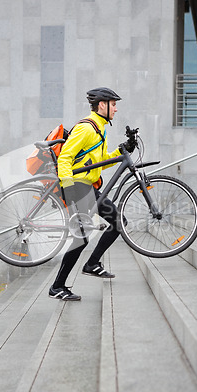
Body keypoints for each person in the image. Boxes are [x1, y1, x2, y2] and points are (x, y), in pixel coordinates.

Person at [49, 87, 134, 301]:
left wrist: (123, 150)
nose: (116, 109)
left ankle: (92, 263)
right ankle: (57, 287)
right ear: (102, 105)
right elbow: (65, 158)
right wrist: (68, 190)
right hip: (77, 186)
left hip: (88, 185)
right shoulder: (86, 128)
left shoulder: (99, 129)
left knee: (117, 221)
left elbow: (100, 162)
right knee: (81, 237)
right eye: (113, 104)